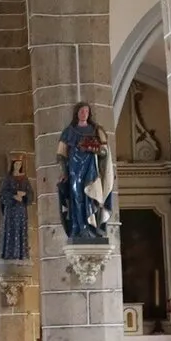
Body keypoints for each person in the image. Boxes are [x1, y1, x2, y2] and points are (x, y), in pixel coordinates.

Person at [56, 102, 111, 244]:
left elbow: (105, 152)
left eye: (86, 111)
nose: (84, 113)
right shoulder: (69, 131)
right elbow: (61, 154)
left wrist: (94, 149)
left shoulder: (96, 130)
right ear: (77, 113)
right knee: (76, 196)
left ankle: (91, 227)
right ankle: (77, 226)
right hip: (74, 168)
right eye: (81, 111)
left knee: (92, 196)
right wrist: (63, 171)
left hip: (91, 169)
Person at [0, 153, 33, 261]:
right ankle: (10, 253)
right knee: (11, 229)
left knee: (21, 229)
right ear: (13, 165)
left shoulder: (24, 179)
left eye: (20, 164)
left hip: (21, 208)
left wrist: (24, 195)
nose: (18, 166)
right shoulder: (8, 179)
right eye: (16, 163)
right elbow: (2, 194)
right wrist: (13, 195)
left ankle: (21, 254)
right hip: (11, 209)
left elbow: (30, 193)